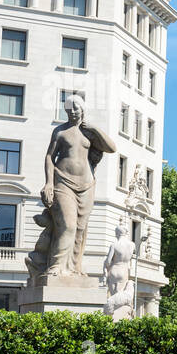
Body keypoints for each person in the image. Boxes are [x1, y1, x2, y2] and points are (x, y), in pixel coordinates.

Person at [39, 96, 116, 279]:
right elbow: (50, 157)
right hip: (63, 182)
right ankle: (57, 266)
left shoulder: (88, 133)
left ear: (83, 109)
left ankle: (74, 267)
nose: (72, 113)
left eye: (75, 109)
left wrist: (94, 129)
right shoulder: (60, 131)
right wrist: (49, 182)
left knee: (81, 229)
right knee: (68, 225)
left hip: (87, 185)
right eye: (68, 111)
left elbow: (111, 148)